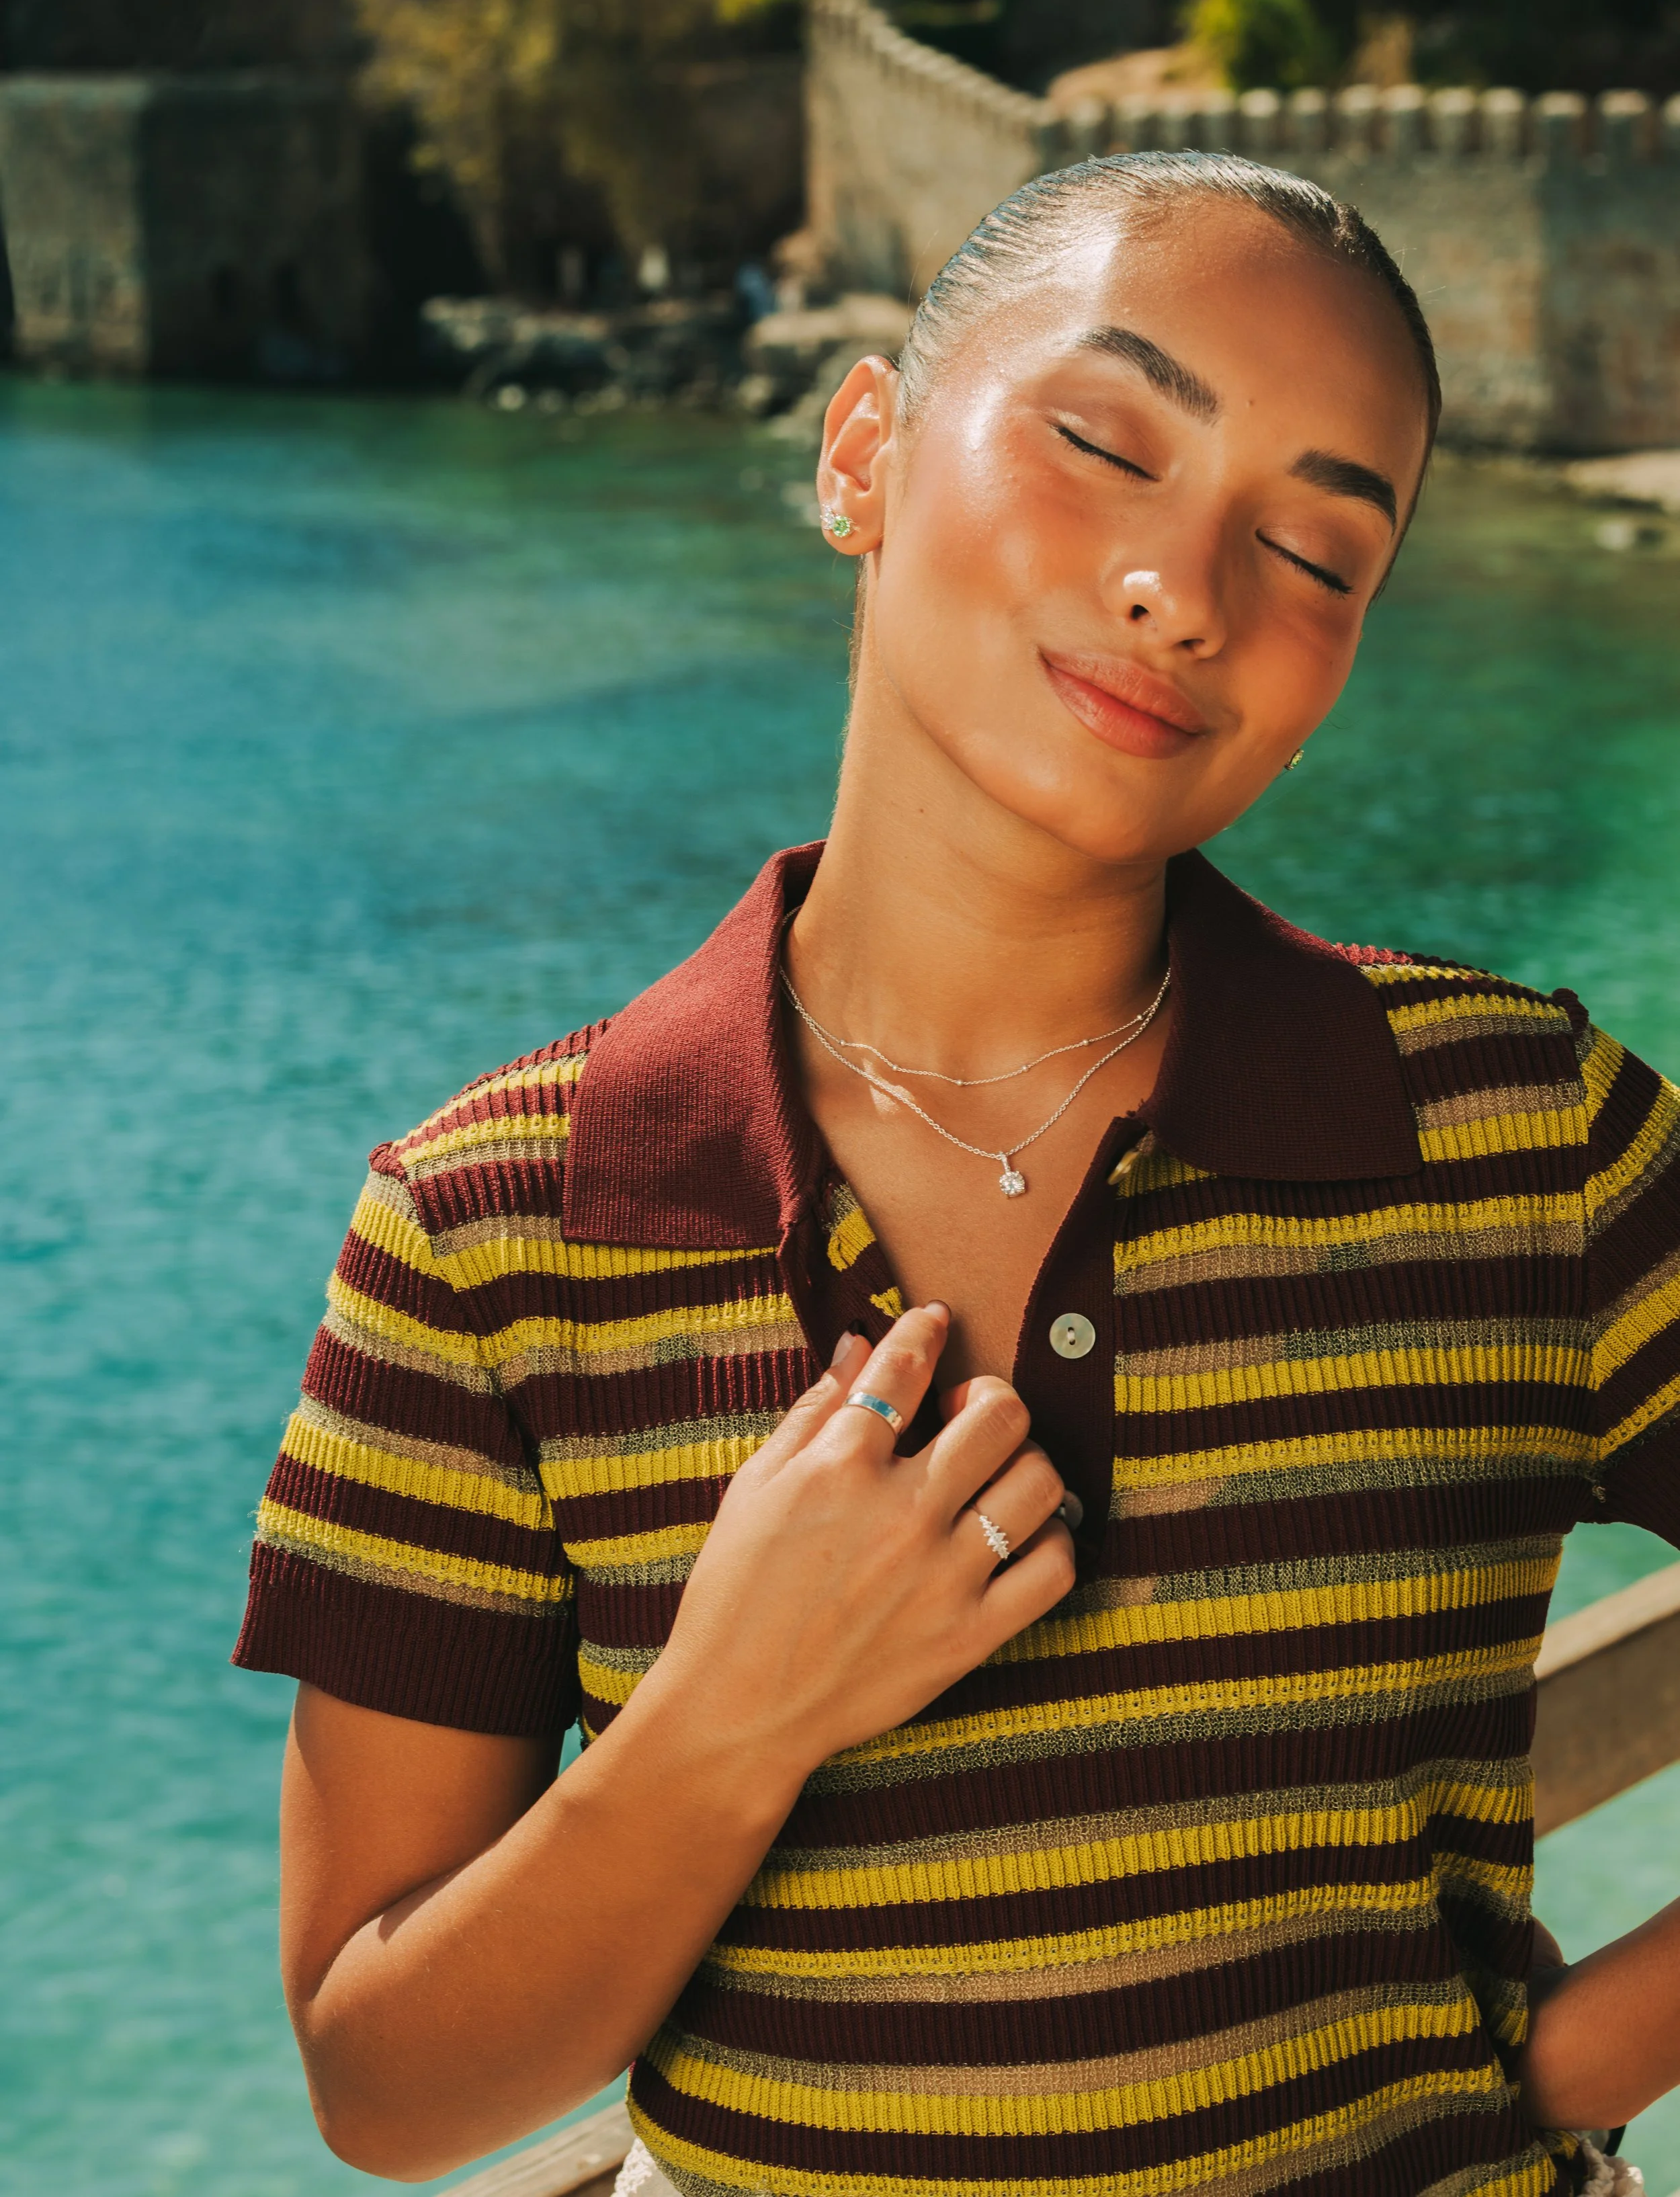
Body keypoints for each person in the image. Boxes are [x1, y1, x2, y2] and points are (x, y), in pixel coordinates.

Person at [234, 153, 1680, 2197]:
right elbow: (387, 2087)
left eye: (1317, 552)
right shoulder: (486, 1232)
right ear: (862, 455)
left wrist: (1550, 2070)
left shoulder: (1524, 1140)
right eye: (1104, 439)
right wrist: (729, 1721)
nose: (1186, 586)